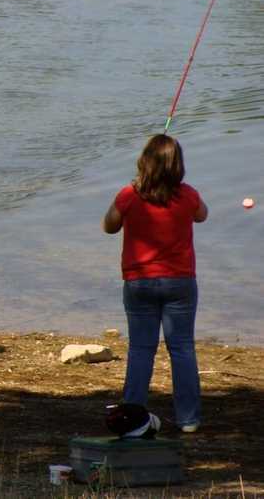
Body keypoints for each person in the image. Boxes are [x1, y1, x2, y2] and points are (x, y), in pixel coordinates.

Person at [102, 134, 207, 433]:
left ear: (145, 162)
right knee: (183, 348)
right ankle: (188, 419)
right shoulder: (187, 195)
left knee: (140, 349)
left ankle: (133, 416)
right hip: (180, 282)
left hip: (139, 282)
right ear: (178, 166)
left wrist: (133, 191)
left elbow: (109, 225)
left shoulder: (130, 194)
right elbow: (203, 215)